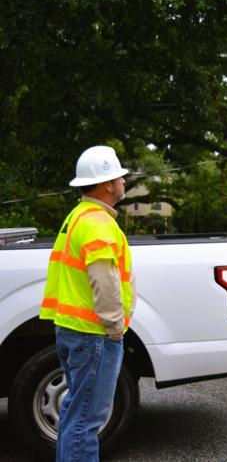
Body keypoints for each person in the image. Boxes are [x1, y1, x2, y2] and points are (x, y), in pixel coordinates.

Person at [40, 145, 136, 462]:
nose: (124, 181)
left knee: (75, 414)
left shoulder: (78, 217)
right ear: (107, 183)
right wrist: (114, 328)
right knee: (87, 421)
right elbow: (104, 282)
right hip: (93, 334)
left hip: (73, 331)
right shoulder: (98, 224)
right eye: (120, 176)